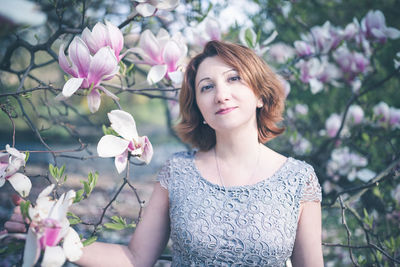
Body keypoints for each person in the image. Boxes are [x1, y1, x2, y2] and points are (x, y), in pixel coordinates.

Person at [5, 40, 323, 266]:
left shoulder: (299, 180)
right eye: (207, 87)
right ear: (198, 108)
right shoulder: (178, 172)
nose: (221, 94)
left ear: (260, 95)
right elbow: (134, 258)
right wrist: (57, 234)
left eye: (234, 78)